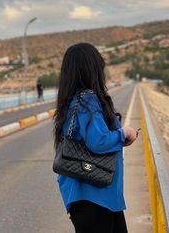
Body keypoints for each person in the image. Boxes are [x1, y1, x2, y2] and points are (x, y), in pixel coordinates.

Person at [53, 43, 138, 233]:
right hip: (95, 199)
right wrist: (124, 133)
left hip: (97, 199)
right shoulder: (88, 100)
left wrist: (117, 138)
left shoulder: (72, 101)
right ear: (92, 70)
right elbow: (98, 142)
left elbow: (92, 139)